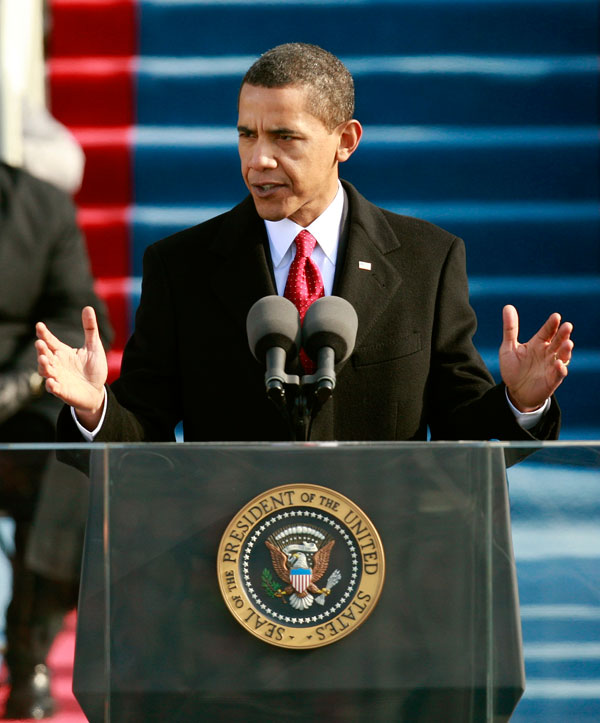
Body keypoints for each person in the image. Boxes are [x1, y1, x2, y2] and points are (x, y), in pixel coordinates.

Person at [36, 42, 573, 447]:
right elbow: (143, 430)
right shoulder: (182, 266)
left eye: (284, 137)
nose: (258, 160)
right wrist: (95, 409)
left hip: (382, 553)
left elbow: (462, 429)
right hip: (230, 560)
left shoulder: (426, 260)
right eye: (247, 134)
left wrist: (520, 403)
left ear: (346, 141)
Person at [0, 160, 111, 719]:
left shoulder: (40, 204)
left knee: (71, 465)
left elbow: (76, 316)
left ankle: (30, 654)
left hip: (17, 400)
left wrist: (13, 385)